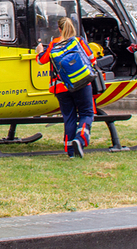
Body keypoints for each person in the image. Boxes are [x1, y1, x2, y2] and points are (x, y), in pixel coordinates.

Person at [35, 16, 95, 158]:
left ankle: (70, 151)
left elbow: (41, 60)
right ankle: (80, 139)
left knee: (69, 117)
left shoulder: (54, 44)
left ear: (59, 29)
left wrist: (39, 50)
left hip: (61, 87)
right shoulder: (79, 41)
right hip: (81, 83)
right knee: (87, 113)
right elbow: (91, 58)